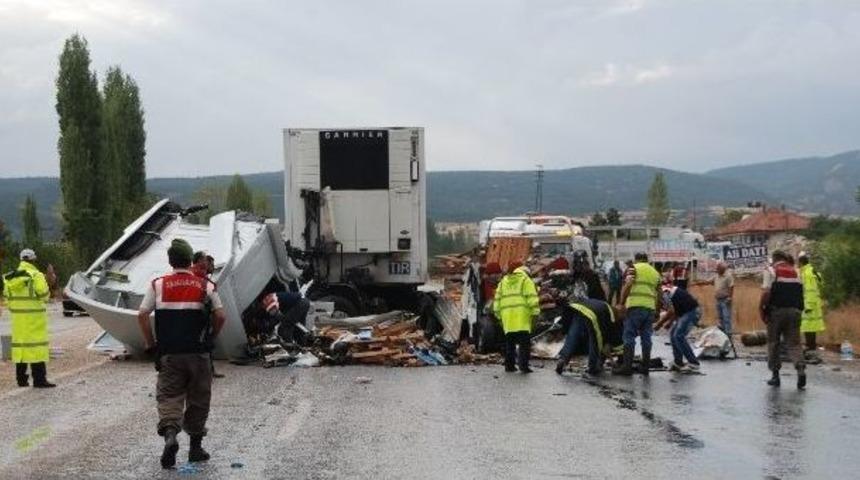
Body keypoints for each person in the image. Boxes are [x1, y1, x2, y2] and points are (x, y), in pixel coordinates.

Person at [138, 239, 226, 468]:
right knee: (199, 399)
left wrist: (151, 343)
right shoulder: (206, 285)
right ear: (190, 261)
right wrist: (211, 338)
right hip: (198, 354)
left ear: (170, 260)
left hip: (169, 354)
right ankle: (195, 449)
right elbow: (220, 316)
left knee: (169, 397)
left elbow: (142, 314)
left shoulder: (158, 285)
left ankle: (170, 435)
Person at [2, 249, 55, 388]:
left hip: (18, 320)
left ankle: (21, 380)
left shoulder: (9, 277)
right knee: (36, 349)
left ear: (21, 260)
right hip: (35, 319)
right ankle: (39, 380)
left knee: (21, 349)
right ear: (33, 260)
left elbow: (7, 300)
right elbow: (44, 296)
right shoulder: (36, 275)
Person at [760, 250, 806, 389]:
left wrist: (762, 308)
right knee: (794, 344)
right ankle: (800, 369)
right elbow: (801, 293)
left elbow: (766, 292)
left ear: (774, 259)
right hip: (795, 311)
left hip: (777, 311)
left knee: (774, 342)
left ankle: (775, 376)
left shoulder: (771, 271)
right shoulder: (797, 272)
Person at [613, 252, 661, 376]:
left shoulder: (633, 268)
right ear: (647, 259)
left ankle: (627, 367)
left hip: (634, 307)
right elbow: (659, 293)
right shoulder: (655, 272)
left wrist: (622, 302)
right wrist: (657, 310)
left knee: (628, 336)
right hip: (649, 308)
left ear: (636, 259)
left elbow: (628, 285)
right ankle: (645, 367)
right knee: (646, 337)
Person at [555, 298, 623, 376]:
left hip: (577, 309)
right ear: (618, 313)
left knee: (572, 337)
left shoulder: (602, 304)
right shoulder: (608, 314)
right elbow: (600, 339)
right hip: (591, 314)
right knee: (596, 340)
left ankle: (563, 359)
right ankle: (593, 366)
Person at [493, 261, 539, 373]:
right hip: (522, 317)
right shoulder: (525, 281)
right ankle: (523, 366)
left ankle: (509, 366)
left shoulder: (503, 282)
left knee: (510, 343)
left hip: (507, 318)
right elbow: (532, 298)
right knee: (524, 344)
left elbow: (497, 301)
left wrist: (499, 315)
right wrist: (535, 313)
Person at [656, 283, 702, 372]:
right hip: (686, 312)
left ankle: (693, 363)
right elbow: (676, 309)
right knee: (673, 334)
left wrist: (659, 324)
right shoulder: (665, 292)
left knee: (678, 335)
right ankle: (678, 362)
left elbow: (671, 310)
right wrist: (669, 322)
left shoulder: (663, 292)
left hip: (692, 311)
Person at [797, 253, 825, 352]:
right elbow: (821, 282)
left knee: (808, 326)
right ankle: (811, 345)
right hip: (815, 303)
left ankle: (810, 346)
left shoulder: (806, 273)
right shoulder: (812, 270)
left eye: (798, 263)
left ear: (801, 262)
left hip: (809, 303)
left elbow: (809, 290)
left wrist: (808, 305)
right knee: (811, 326)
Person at [713, 262, 734, 335]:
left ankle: (728, 334)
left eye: (718, 269)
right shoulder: (716, 276)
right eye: (717, 269)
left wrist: (730, 297)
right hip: (718, 299)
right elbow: (710, 282)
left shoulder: (728, 276)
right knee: (720, 317)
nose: (717, 270)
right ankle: (722, 334)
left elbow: (731, 286)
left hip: (725, 299)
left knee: (726, 317)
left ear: (722, 269)